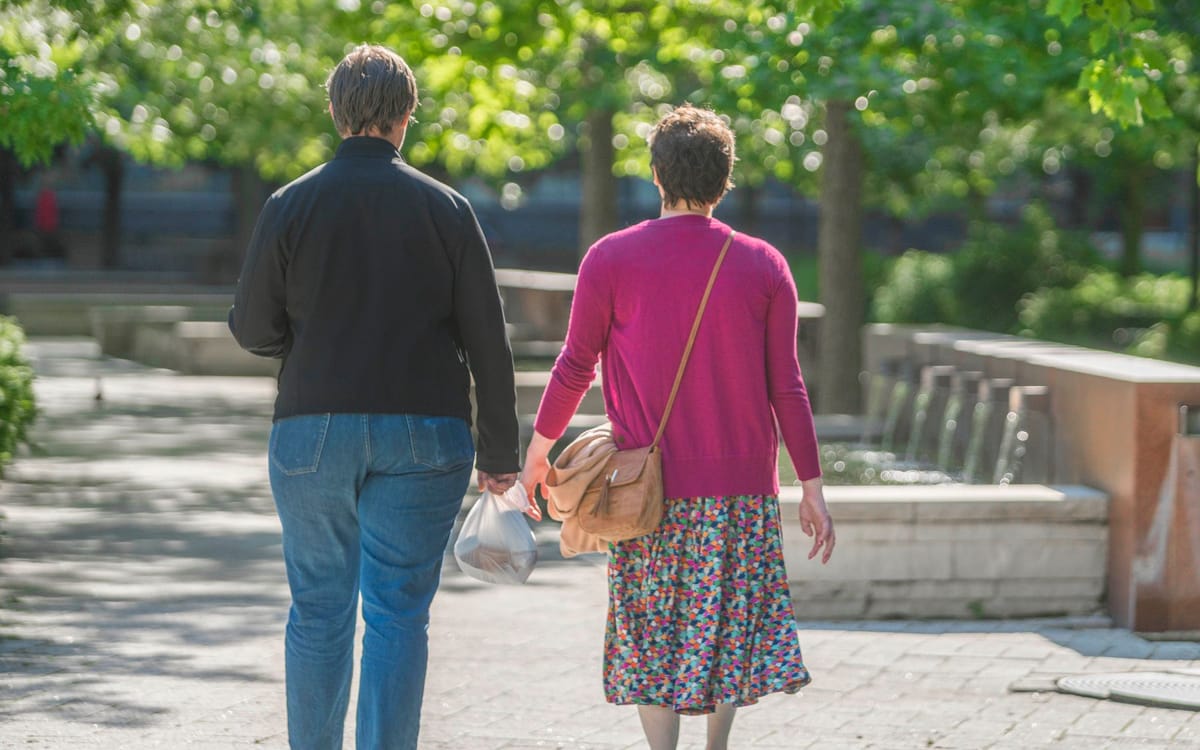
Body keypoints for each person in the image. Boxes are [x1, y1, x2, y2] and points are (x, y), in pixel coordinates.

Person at [229, 44, 532, 750]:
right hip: (426, 433)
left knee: (318, 610)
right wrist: (499, 456)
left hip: (313, 429)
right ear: (406, 118)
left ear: (336, 113)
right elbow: (489, 341)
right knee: (397, 614)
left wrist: (300, 343)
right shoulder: (448, 210)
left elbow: (250, 327)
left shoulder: (289, 204)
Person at [520, 105, 836, 750]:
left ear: (657, 174)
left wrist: (538, 452)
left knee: (650, 625)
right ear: (726, 179)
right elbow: (787, 385)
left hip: (648, 487)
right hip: (742, 489)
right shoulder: (764, 264)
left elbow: (575, 363)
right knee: (731, 623)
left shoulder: (610, 259)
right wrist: (811, 483)